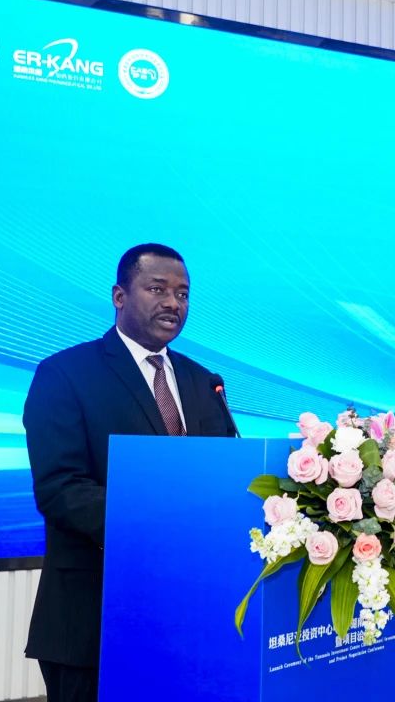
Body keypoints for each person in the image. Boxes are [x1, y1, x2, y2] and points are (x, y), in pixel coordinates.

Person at [23, 243, 236, 701]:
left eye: (183, 293)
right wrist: (160, 524)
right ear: (119, 296)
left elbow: (224, 480)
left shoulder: (204, 382)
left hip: (190, 615)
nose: (173, 303)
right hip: (95, 617)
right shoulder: (65, 374)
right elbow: (60, 488)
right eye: (157, 289)